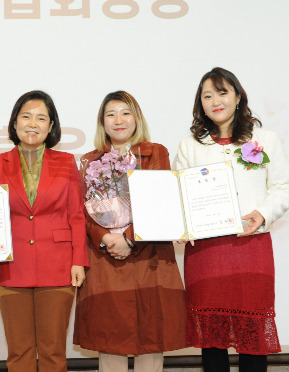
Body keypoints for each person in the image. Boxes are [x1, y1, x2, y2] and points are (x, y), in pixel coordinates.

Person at [175, 67, 289, 372]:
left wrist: (261, 214)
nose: (215, 100)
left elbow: (284, 187)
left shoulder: (265, 139)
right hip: (206, 253)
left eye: (222, 92)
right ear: (199, 104)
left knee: (252, 338)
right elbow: (178, 195)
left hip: (250, 250)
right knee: (212, 345)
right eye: (207, 95)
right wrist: (182, 224)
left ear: (238, 96)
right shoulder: (189, 145)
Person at [73, 91, 187, 372]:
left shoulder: (154, 152)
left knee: (151, 339)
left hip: (150, 258)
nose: (118, 120)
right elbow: (80, 211)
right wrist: (106, 238)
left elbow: (160, 203)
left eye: (125, 112)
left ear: (137, 118)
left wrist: (128, 239)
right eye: (110, 114)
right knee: (110, 341)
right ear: (102, 122)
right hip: (105, 260)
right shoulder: (89, 160)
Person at [0, 90, 89, 372]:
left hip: (58, 265)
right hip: (11, 265)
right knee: (19, 352)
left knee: (53, 351)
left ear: (51, 126)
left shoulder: (66, 162)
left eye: (41, 118)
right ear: (14, 123)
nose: (33, 123)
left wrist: (79, 260)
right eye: (26, 116)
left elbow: (76, 216)